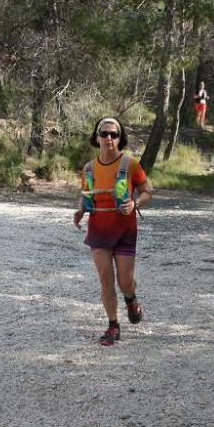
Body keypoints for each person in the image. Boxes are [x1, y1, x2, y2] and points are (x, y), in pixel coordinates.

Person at [74, 117, 154, 346]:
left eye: (114, 134)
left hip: (125, 229)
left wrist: (136, 203)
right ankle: (113, 325)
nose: (109, 138)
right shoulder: (89, 168)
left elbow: (147, 190)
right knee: (105, 278)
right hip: (98, 229)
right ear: (97, 137)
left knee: (125, 281)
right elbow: (86, 195)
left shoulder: (129, 164)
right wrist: (80, 211)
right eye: (104, 133)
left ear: (120, 138)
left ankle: (130, 298)